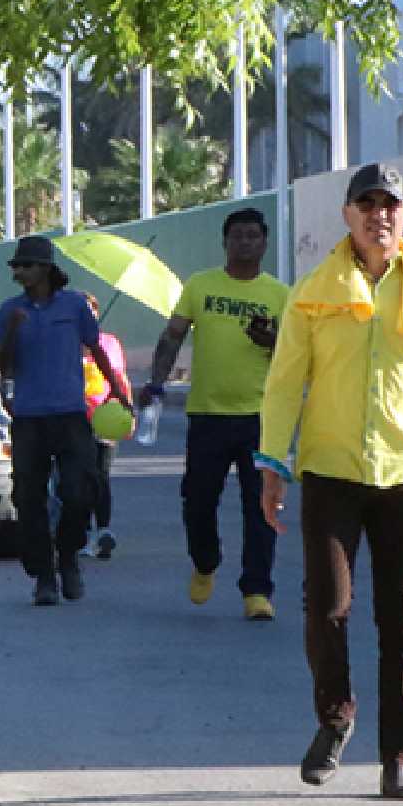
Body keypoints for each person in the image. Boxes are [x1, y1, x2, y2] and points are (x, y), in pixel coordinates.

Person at [256, 163, 403, 801]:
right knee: (326, 607)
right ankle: (334, 716)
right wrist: (272, 465)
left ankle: (399, 758)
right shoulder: (315, 292)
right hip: (330, 472)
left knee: (400, 619)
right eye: (366, 205)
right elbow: (284, 382)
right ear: (347, 217)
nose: (380, 216)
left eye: (391, 206)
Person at [141, 207, 290, 620]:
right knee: (197, 502)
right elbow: (172, 337)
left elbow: (295, 356)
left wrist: (271, 340)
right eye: (237, 236)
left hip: (260, 418)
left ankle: (257, 591)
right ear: (225, 243)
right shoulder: (201, 286)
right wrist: (156, 383)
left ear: (264, 243)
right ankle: (205, 562)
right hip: (207, 415)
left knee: (261, 506)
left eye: (253, 236)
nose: (245, 242)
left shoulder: (280, 295)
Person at [0, 236, 131, 606]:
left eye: (26, 265)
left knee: (78, 491)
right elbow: (2, 366)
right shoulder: (10, 310)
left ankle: (68, 557)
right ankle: (43, 576)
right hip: (29, 417)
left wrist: (117, 390)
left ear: (45, 269)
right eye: (16, 266)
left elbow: (96, 348)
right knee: (29, 497)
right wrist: (12, 332)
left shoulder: (74, 306)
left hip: (71, 415)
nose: (19, 272)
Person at [76, 292, 132, 560]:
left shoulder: (109, 344)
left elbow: (120, 379)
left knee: (101, 475)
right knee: (79, 476)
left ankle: (103, 531)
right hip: (73, 418)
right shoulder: (67, 342)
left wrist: (127, 410)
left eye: (92, 310)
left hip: (105, 417)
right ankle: (82, 532)